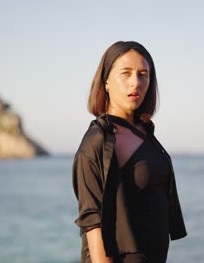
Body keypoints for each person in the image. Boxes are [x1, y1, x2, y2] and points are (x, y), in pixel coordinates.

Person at [72, 41, 187, 263]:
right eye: (126, 73)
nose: (136, 82)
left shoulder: (146, 133)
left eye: (143, 74)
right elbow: (93, 224)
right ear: (106, 82)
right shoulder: (97, 142)